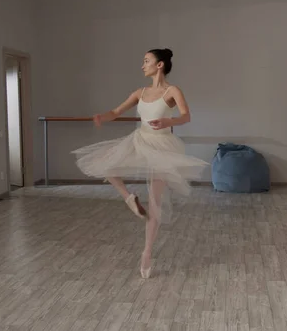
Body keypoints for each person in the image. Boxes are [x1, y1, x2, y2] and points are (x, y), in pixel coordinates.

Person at [71, 48, 209, 279]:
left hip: (162, 146)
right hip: (140, 140)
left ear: (160, 65)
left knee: (155, 202)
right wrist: (101, 117)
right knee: (105, 165)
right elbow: (116, 112)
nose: (142, 65)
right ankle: (128, 197)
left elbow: (186, 116)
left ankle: (146, 253)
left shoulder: (173, 91)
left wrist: (169, 120)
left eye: (146, 61)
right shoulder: (140, 92)